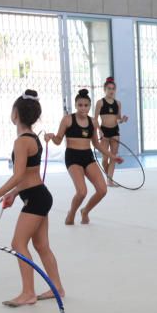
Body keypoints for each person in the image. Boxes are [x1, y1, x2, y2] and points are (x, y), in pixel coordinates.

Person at [0, 91, 65, 307]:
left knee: (18, 243)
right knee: (41, 245)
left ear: (15, 114)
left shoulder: (21, 142)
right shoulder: (32, 138)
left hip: (36, 198)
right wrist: (13, 193)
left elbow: (19, 175)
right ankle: (57, 286)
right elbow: (28, 174)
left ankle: (28, 292)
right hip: (38, 195)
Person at [45, 89, 113, 225]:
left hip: (87, 156)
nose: (83, 108)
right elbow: (58, 141)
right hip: (73, 157)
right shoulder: (67, 119)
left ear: (89, 106)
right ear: (76, 105)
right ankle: (71, 213)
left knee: (102, 190)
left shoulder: (93, 122)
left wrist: (113, 156)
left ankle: (85, 211)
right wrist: (51, 137)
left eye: (86, 105)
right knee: (82, 192)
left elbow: (96, 144)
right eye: (80, 105)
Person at [94, 77, 128, 187]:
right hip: (104, 132)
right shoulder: (100, 103)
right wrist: (99, 131)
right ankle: (109, 177)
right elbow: (94, 119)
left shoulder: (118, 103)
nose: (111, 91)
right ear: (105, 89)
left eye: (113, 89)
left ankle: (109, 180)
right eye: (109, 88)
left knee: (113, 156)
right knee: (104, 159)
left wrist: (122, 120)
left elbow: (117, 119)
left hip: (115, 132)